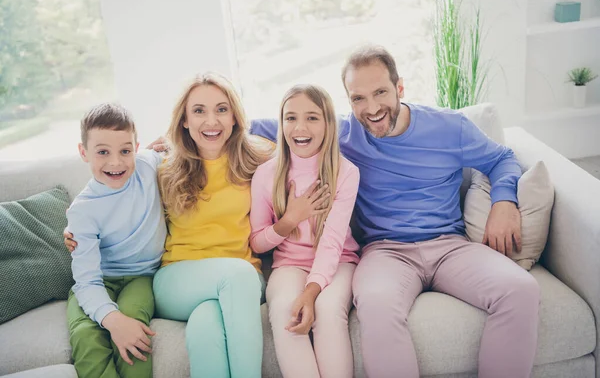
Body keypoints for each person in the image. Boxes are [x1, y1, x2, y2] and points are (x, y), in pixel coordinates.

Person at [251, 45, 540, 378]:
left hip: (450, 246)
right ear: (348, 102)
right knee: (374, 302)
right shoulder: (341, 134)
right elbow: (280, 125)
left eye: (380, 93)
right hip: (385, 252)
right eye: (358, 98)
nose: (372, 109)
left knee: (521, 289)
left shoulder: (449, 127)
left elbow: (502, 158)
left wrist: (504, 202)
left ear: (400, 88)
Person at [66, 73, 273, 378]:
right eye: (199, 111)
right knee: (237, 275)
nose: (211, 121)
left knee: (205, 327)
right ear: (185, 120)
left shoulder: (260, 158)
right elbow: (116, 186)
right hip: (177, 279)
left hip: (242, 278)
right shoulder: (162, 166)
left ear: (235, 117)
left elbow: (302, 140)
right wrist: (74, 225)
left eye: (221, 109)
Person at [250, 84, 359, 378]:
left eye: (312, 117)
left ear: (328, 123)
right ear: (281, 123)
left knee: (327, 309)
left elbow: (333, 243)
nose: (300, 127)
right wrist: (289, 219)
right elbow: (258, 243)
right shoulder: (266, 175)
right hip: (289, 264)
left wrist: (311, 293)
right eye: (290, 118)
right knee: (286, 309)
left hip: (339, 262)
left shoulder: (345, 172)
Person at [66, 103, 166, 378]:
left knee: (134, 327)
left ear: (137, 147)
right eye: (102, 152)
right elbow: (86, 281)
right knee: (87, 335)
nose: (115, 162)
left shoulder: (147, 164)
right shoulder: (82, 210)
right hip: (98, 280)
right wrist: (111, 319)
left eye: (125, 150)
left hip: (140, 277)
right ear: (83, 152)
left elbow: (187, 140)